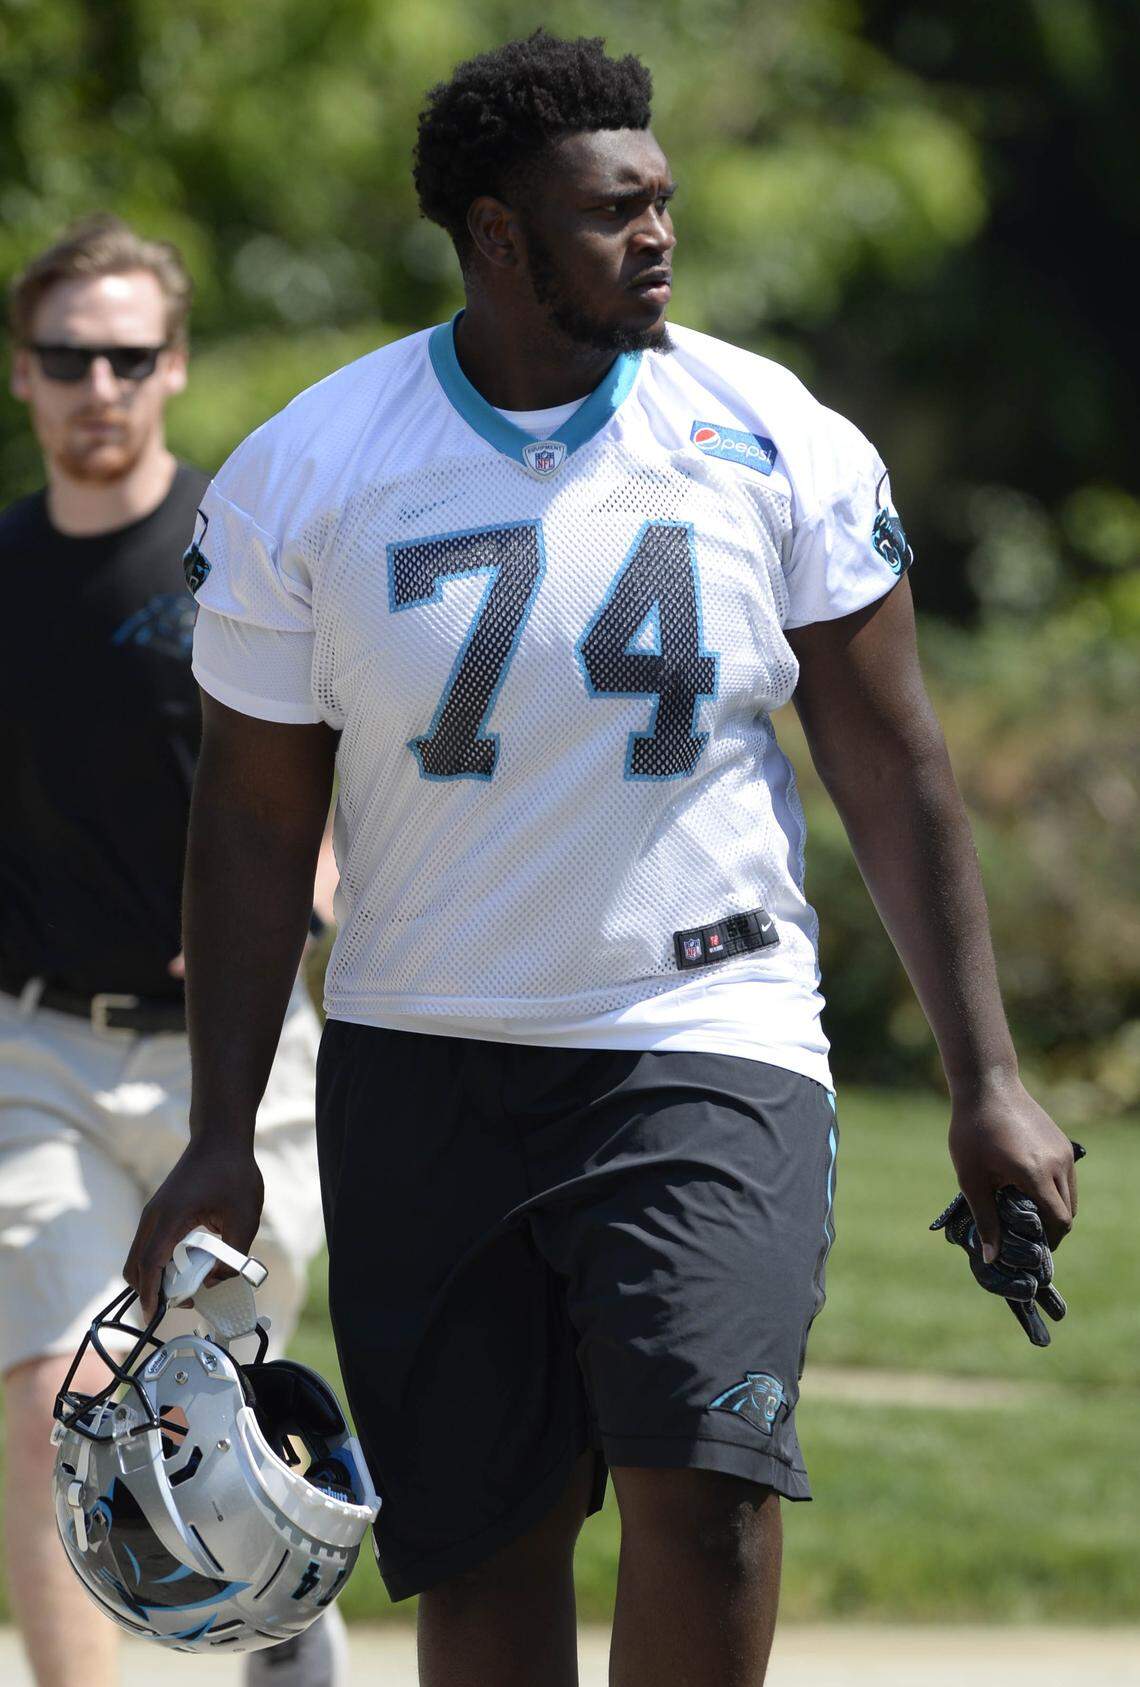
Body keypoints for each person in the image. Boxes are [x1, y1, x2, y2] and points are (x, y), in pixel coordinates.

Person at [124, 33, 1079, 1687]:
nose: (658, 237)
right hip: (423, 1061)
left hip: (703, 1041)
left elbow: (892, 759)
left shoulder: (773, 434)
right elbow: (255, 818)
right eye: (612, 210)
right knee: (482, 1549)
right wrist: (221, 1132)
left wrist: (986, 1077)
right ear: (497, 236)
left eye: (663, 201)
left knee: (710, 1497)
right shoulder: (311, 466)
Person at [0, 217, 345, 1687]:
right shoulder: (4, 571)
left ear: (175, 365)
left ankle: (284, 1616)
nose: (101, 386)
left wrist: (313, 888)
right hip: (39, 1052)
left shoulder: (243, 552)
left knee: (216, 1404)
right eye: (69, 356)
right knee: (56, 1399)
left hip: (241, 1062)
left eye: (129, 358)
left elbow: (340, 760)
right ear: (24, 373)